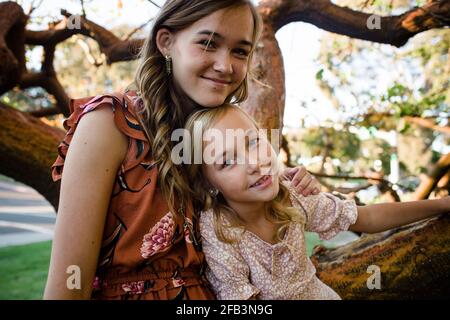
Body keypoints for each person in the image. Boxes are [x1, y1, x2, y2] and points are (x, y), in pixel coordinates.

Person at [44, 0, 320, 300]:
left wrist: (279, 191)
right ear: (166, 42)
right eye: (208, 43)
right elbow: (68, 287)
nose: (225, 66)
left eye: (240, 51)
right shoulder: (110, 122)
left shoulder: (218, 138)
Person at [183, 104, 450, 300]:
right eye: (228, 161)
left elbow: (365, 218)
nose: (253, 163)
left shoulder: (291, 195)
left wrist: (441, 205)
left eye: (253, 142)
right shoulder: (219, 230)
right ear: (208, 183)